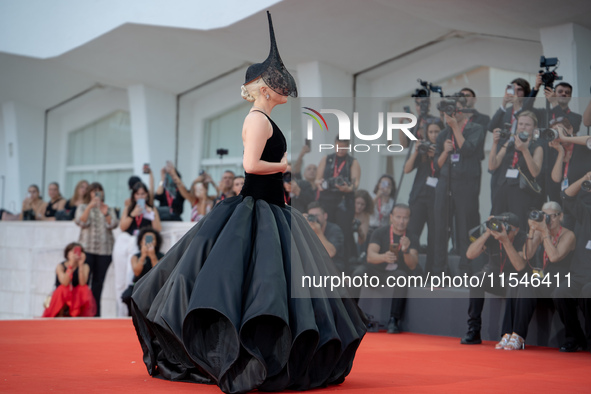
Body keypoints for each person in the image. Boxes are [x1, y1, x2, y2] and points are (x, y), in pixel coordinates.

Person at [130, 12, 366, 393]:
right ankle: (244, 356)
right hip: (257, 206)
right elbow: (250, 165)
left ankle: (271, 355)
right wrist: (284, 164)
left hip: (273, 209)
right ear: (265, 88)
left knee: (268, 284)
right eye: (278, 84)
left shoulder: (264, 118)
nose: (285, 90)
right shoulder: (257, 120)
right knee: (252, 283)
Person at [504, 201, 576, 350]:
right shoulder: (540, 233)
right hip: (544, 280)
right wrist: (532, 231)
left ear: (560, 216)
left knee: (531, 283)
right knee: (520, 282)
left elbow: (554, 256)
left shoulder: (568, 235)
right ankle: (514, 334)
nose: (547, 220)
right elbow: (526, 255)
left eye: (551, 216)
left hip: (562, 280)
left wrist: (544, 233)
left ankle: (517, 335)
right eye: (544, 216)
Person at [432, 94, 485, 275]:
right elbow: (436, 165)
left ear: (462, 109)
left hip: (466, 183)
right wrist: (445, 153)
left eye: (454, 108)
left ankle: (465, 268)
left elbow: (468, 149)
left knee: (464, 227)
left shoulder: (475, 128)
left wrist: (455, 127)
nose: (451, 112)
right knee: (440, 227)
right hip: (445, 182)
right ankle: (439, 269)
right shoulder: (442, 134)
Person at [460, 213, 528, 347]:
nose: (505, 231)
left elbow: (520, 266)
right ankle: (474, 330)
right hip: (495, 277)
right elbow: (470, 254)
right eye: (504, 227)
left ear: (517, 230)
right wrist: (487, 233)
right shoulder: (493, 236)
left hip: (514, 281)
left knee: (513, 281)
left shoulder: (522, 238)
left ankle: (509, 334)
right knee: (476, 279)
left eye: (509, 228)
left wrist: (505, 241)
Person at [354, 204, 420, 334]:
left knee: (402, 277)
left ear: (409, 219)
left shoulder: (412, 237)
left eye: (405, 218)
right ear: (391, 217)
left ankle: (394, 319)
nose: (401, 221)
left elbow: (413, 264)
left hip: (395, 273)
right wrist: (383, 257)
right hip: (376, 270)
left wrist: (406, 250)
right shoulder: (380, 232)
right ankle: (350, 313)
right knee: (358, 272)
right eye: (398, 217)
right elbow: (370, 256)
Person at [553, 172, 591, 352]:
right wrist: (585, 179)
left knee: (587, 291)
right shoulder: (587, 213)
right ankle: (575, 337)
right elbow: (566, 195)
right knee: (561, 291)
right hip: (578, 275)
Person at [489, 111, 544, 232]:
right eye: (520, 124)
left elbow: (535, 172)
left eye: (527, 125)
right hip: (502, 188)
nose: (523, 127)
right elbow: (493, 165)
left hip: (521, 192)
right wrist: (495, 143)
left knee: (519, 226)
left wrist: (524, 150)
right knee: (497, 222)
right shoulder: (509, 142)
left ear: (534, 128)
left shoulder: (537, 147)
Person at [114, 182, 162, 316]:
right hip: (127, 242)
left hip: (141, 245)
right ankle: (120, 312)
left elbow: (158, 229)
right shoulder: (129, 208)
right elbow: (122, 227)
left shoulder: (151, 209)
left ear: (147, 195)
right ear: (134, 196)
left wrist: (151, 213)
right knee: (120, 279)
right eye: (138, 194)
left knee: (131, 275)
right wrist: (133, 214)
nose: (140, 196)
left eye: (143, 193)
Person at [75, 182, 119, 317]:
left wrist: (106, 213)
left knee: (98, 285)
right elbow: (81, 222)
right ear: (89, 193)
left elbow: (113, 224)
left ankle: (95, 315)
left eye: (99, 191)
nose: (96, 193)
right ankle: (81, 313)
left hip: (104, 252)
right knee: (83, 282)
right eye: (94, 191)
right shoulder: (83, 207)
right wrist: (90, 206)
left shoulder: (108, 208)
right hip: (87, 250)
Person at [404, 120, 442, 273]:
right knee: (412, 233)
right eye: (431, 132)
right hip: (419, 196)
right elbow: (406, 169)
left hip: (436, 198)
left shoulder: (446, 149)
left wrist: (438, 156)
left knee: (434, 236)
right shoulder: (423, 150)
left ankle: (431, 271)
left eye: (436, 132)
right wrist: (416, 152)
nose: (433, 135)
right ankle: (411, 269)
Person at [42, 242, 96, 317]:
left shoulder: (85, 266)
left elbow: (83, 283)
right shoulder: (60, 266)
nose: (76, 254)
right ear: (67, 253)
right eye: (73, 251)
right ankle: (59, 313)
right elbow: (64, 282)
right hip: (62, 296)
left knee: (84, 289)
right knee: (63, 289)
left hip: (76, 296)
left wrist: (80, 265)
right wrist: (71, 265)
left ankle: (78, 314)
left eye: (78, 251)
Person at [121, 228, 163, 315]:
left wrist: (152, 256)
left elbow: (158, 272)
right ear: (140, 241)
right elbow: (136, 272)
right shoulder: (136, 256)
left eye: (152, 239)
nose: (148, 241)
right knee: (128, 296)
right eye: (146, 239)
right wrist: (143, 256)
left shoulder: (161, 256)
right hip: (138, 285)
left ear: (156, 242)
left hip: (154, 286)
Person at [305, 202, 345, 273]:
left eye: (317, 215)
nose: (314, 219)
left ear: (325, 216)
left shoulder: (335, 230)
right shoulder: (308, 230)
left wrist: (318, 232)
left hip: (333, 267)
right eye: (311, 216)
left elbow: (330, 253)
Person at [353, 189, 374, 258]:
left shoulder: (365, 215)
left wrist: (359, 230)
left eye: (362, 204)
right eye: (357, 203)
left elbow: (362, 240)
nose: (359, 206)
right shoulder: (347, 210)